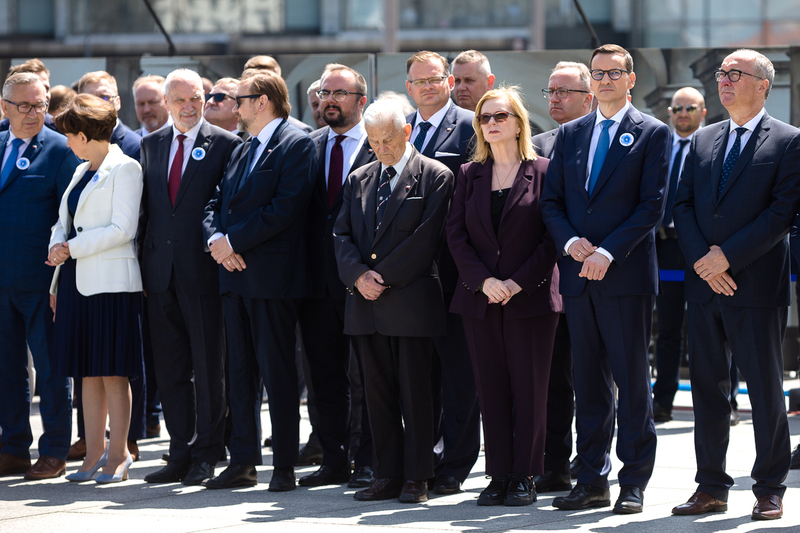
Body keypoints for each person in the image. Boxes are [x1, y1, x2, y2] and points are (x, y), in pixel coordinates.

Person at [541, 44, 670, 514]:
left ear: (631, 79)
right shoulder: (571, 134)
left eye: (615, 72)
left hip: (624, 276)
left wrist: (608, 252)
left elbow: (651, 205)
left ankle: (633, 480)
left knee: (632, 382)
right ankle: (591, 478)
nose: (605, 80)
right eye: (598, 73)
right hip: (577, 276)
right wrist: (573, 245)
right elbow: (551, 202)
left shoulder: (652, 133)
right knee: (588, 383)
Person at [672, 49, 800, 521]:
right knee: (708, 387)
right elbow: (682, 205)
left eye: (735, 74)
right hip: (705, 286)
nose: (724, 81)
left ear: (763, 84)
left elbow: (781, 213)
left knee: (765, 390)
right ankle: (711, 487)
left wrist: (728, 256)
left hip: (756, 285)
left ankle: (769, 486)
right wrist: (706, 262)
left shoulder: (788, 141)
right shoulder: (703, 140)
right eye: (721, 74)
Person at [333, 98, 453, 504]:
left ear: (407, 131)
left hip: (411, 303)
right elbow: (341, 235)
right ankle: (387, 473)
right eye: (373, 141)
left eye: (388, 139)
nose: (381, 148)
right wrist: (357, 276)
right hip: (365, 303)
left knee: (417, 393)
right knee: (376, 393)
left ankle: (418, 476)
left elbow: (426, 240)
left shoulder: (435, 176)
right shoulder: (359, 178)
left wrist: (380, 277)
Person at [202, 71, 317, 491]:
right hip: (232, 276)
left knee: (278, 372)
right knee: (239, 372)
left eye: (241, 99)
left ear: (263, 101)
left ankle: (284, 464)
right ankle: (243, 461)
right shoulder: (244, 146)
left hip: (272, 278)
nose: (235, 107)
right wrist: (216, 238)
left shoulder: (297, 143)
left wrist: (232, 241)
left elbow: (285, 208)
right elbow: (217, 199)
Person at [447, 87, 562, 506]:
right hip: (480, 300)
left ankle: (525, 475)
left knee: (530, 388)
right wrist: (483, 282)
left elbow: (552, 237)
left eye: (499, 116)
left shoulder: (546, 170)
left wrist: (516, 283)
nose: (490, 124)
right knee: (490, 388)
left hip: (529, 299)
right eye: (483, 118)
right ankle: (497, 474)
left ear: (518, 123)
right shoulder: (467, 174)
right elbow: (455, 236)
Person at [139, 69, 241, 486]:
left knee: (208, 366)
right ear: (166, 102)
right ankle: (179, 451)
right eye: (179, 99)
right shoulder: (151, 144)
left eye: (195, 97)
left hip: (203, 273)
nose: (188, 106)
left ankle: (207, 452)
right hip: (159, 274)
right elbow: (150, 210)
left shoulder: (225, 144)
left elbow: (225, 207)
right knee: (171, 368)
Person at [48, 94, 143, 484]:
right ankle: (91, 453)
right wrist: (57, 245)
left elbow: (124, 229)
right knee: (86, 372)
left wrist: (71, 247)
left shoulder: (127, 168)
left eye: (70, 135)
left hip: (111, 285)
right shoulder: (81, 168)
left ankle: (119, 454)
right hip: (75, 280)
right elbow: (64, 218)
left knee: (113, 372)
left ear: (85, 135)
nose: (67, 142)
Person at [405, 49, 479, 496]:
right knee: (419, 373)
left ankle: (456, 461)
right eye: (420, 81)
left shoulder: (471, 127)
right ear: (409, 87)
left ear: (449, 83)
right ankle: (422, 457)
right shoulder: (402, 129)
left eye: (436, 79)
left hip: (454, 271)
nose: (429, 87)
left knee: (458, 374)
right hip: (410, 275)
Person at [298, 63, 376, 489]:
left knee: (366, 375)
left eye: (340, 93)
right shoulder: (307, 146)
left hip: (365, 280)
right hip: (316, 283)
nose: (329, 99)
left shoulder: (380, 146)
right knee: (322, 375)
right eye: (325, 92)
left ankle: (366, 459)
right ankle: (332, 458)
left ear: (360, 101)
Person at [0, 72, 80, 480]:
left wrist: (61, 277)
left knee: (50, 369)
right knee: (7, 368)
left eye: (41, 105)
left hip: (41, 280)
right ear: (5, 107)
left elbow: (72, 218)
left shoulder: (60, 149)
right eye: (25, 106)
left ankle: (54, 449)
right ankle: (12, 447)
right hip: (2, 282)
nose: (34, 114)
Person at [531, 60, 593, 494]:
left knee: (595, 379)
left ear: (589, 98)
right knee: (553, 377)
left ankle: (594, 465)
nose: (554, 99)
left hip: (601, 273)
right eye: (550, 91)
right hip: (546, 278)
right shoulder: (535, 146)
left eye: (564, 91)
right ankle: (554, 465)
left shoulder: (608, 140)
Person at [651, 87, 706, 423]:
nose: (682, 113)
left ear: (702, 111)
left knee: (711, 328)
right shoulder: (659, 144)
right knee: (668, 329)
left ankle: (722, 402)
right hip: (664, 245)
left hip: (701, 247)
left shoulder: (714, 143)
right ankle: (663, 402)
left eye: (690, 108)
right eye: (677, 108)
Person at [77, 71, 142, 160]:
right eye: (90, 99)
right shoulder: (74, 144)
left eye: (104, 97)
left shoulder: (135, 147)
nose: (98, 103)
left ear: (118, 102)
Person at [0, 59, 57, 132]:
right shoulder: (2, 130)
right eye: (32, 90)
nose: (43, 95)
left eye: (46, 88)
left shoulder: (62, 129)